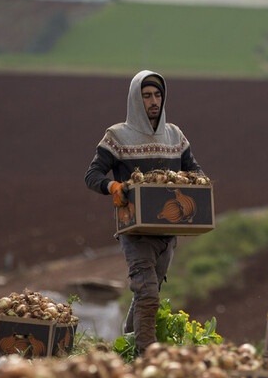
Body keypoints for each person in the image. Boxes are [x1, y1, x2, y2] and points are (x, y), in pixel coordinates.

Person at [84, 70, 204, 352]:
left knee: (146, 295)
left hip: (167, 233)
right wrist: (113, 187)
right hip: (135, 232)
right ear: (135, 99)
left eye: (157, 95)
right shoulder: (117, 136)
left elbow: (196, 171)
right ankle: (145, 357)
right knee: (148, 294)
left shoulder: (175, 135)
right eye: (146, 95)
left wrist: (194, 181)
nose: (153, 101)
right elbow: (92, 175)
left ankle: (127, 343)